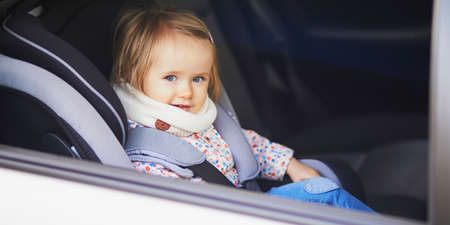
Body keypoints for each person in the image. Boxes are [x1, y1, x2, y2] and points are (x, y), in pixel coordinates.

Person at [111, 5, 374, 213]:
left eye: (198, 79)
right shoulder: (146, 154)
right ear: (132, 75)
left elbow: (245, 142)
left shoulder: (196, 117)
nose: (186, 92)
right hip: (232, 213)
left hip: (251, 200)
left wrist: (289, 164)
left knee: (323, 190)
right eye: (170, 77)